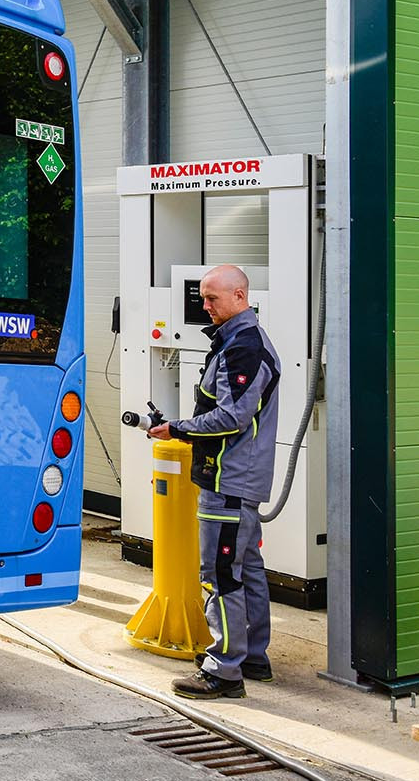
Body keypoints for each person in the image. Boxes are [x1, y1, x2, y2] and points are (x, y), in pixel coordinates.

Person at [146, 263, 278, 700]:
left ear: (240, 296)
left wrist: (178, 428)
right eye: (202, 298)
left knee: (219, 575)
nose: (204, 306)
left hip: (229, 481)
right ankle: (253, 657)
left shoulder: (245, 347)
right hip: (240, 480)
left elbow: (233, 416)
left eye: (212, 298)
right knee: (248, 570)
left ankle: (224, 670)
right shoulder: (236, 343)